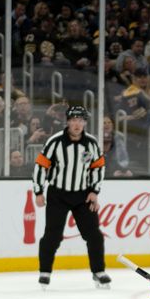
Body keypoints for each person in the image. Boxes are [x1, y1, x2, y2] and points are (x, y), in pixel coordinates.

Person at [32, 106, 110, 289]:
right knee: (52, 235)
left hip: (83, 196)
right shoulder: (55, 142)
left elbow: (98, 168)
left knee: (94, 235)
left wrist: (94, 191)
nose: (76, 124)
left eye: (80, 120)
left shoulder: (91, 143)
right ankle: (45, 272)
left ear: (85, 122)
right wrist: (38, 191)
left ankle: (98, 271)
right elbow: (41, 166)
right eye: (73, 120)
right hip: (57, 194)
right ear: (67, 122)